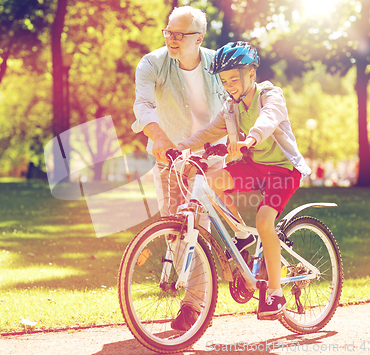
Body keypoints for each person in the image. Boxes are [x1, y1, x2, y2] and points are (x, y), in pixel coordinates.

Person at [177, 42, 311, 318]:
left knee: (264, 221)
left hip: (283, 170)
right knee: (210, 181)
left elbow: (269, 118)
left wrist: (250, 138)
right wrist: (181, 148)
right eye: (224, 81)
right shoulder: (231, 107)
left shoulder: (270, 95)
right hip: (253, 166)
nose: (230, 86)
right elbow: (209, 132)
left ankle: (275, 294)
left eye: (235, 79)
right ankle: (240, 236)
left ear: (252, 73)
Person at [131, 6, 227, 330]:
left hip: (210, 157)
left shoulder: (220, 64)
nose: (171, 39)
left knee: (199, 229)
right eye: (168, 31)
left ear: (198, 38)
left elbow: (236, 104)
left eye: (179, 34)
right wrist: (159, 137)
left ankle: (195, 306)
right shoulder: (152, 64)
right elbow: (143, 105)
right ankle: (206, 293)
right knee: (175, 229)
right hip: (169, 157)